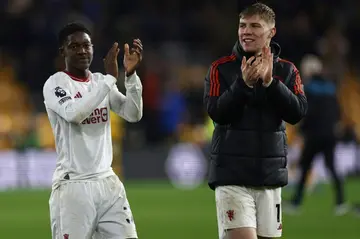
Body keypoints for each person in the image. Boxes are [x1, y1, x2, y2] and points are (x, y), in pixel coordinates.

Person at [203, 3, 307, 239]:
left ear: (272, 32)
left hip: (270, 179)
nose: (246, 31)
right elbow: (217, 113)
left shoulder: (287, 71)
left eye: (254, 26)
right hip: (232, 177)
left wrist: (271, 84)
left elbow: (298, 112)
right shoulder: (221, 69)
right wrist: (244, 84)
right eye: (242, 25)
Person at [43, 23, 143, 239]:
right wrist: (109, 80)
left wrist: (131, 76)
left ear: (93, 48)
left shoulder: (99, 81)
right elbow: (74, 114)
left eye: (86, 45)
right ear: (63, 51)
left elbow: (133, 113)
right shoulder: (56, 84)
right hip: (73, 186)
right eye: (74, 46)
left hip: (108, 182)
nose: (82, 50)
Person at [287, 54, 347, 215]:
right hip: (329, 133)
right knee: (332, 166)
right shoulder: (330, 87)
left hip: (315, 134)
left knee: (305, 166)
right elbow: (337, 111)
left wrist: (301, 131)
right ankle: (341, 201)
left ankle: (296, 202)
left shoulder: (310, 88)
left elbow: (308, 112)